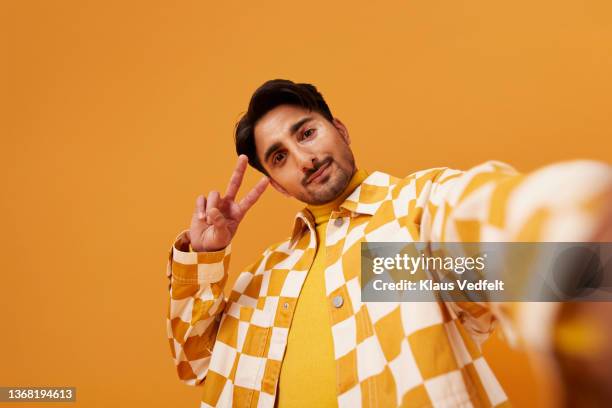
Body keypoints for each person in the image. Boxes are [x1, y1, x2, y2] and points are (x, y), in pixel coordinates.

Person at [165, 79, 612, 407]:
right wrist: (207, 257)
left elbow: (483, 229)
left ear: (340, 129)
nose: (304, 159)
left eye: (306, 133)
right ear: (277, 186)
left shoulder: (408, 223)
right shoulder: (265, 277)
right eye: (279, 157)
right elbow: (198, 364)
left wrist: (583, 237)